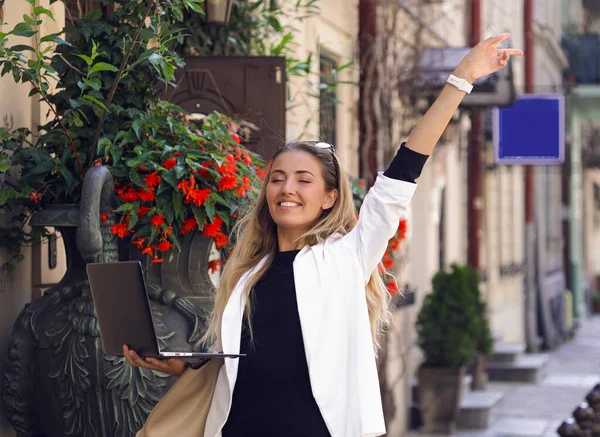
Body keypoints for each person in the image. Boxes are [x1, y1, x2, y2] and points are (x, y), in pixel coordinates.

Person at [124, 33, 523, 437]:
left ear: (330, 197)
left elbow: (402, 174)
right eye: (277, 179)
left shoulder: (347, 255)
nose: (287, 189)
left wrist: (462, 77)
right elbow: (244, 364)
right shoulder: (246, 271)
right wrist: (179, 367)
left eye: (303, 180)